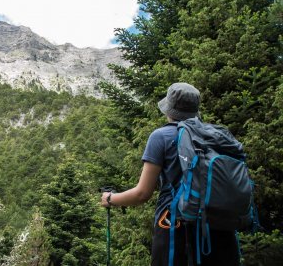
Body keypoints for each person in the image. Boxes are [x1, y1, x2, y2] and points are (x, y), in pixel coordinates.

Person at [100, 82, 240, 266]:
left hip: (176, 227)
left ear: (169, 110)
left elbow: (142, 194)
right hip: (220, 229)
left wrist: (110, 199)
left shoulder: (161, 137)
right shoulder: (218, 136)